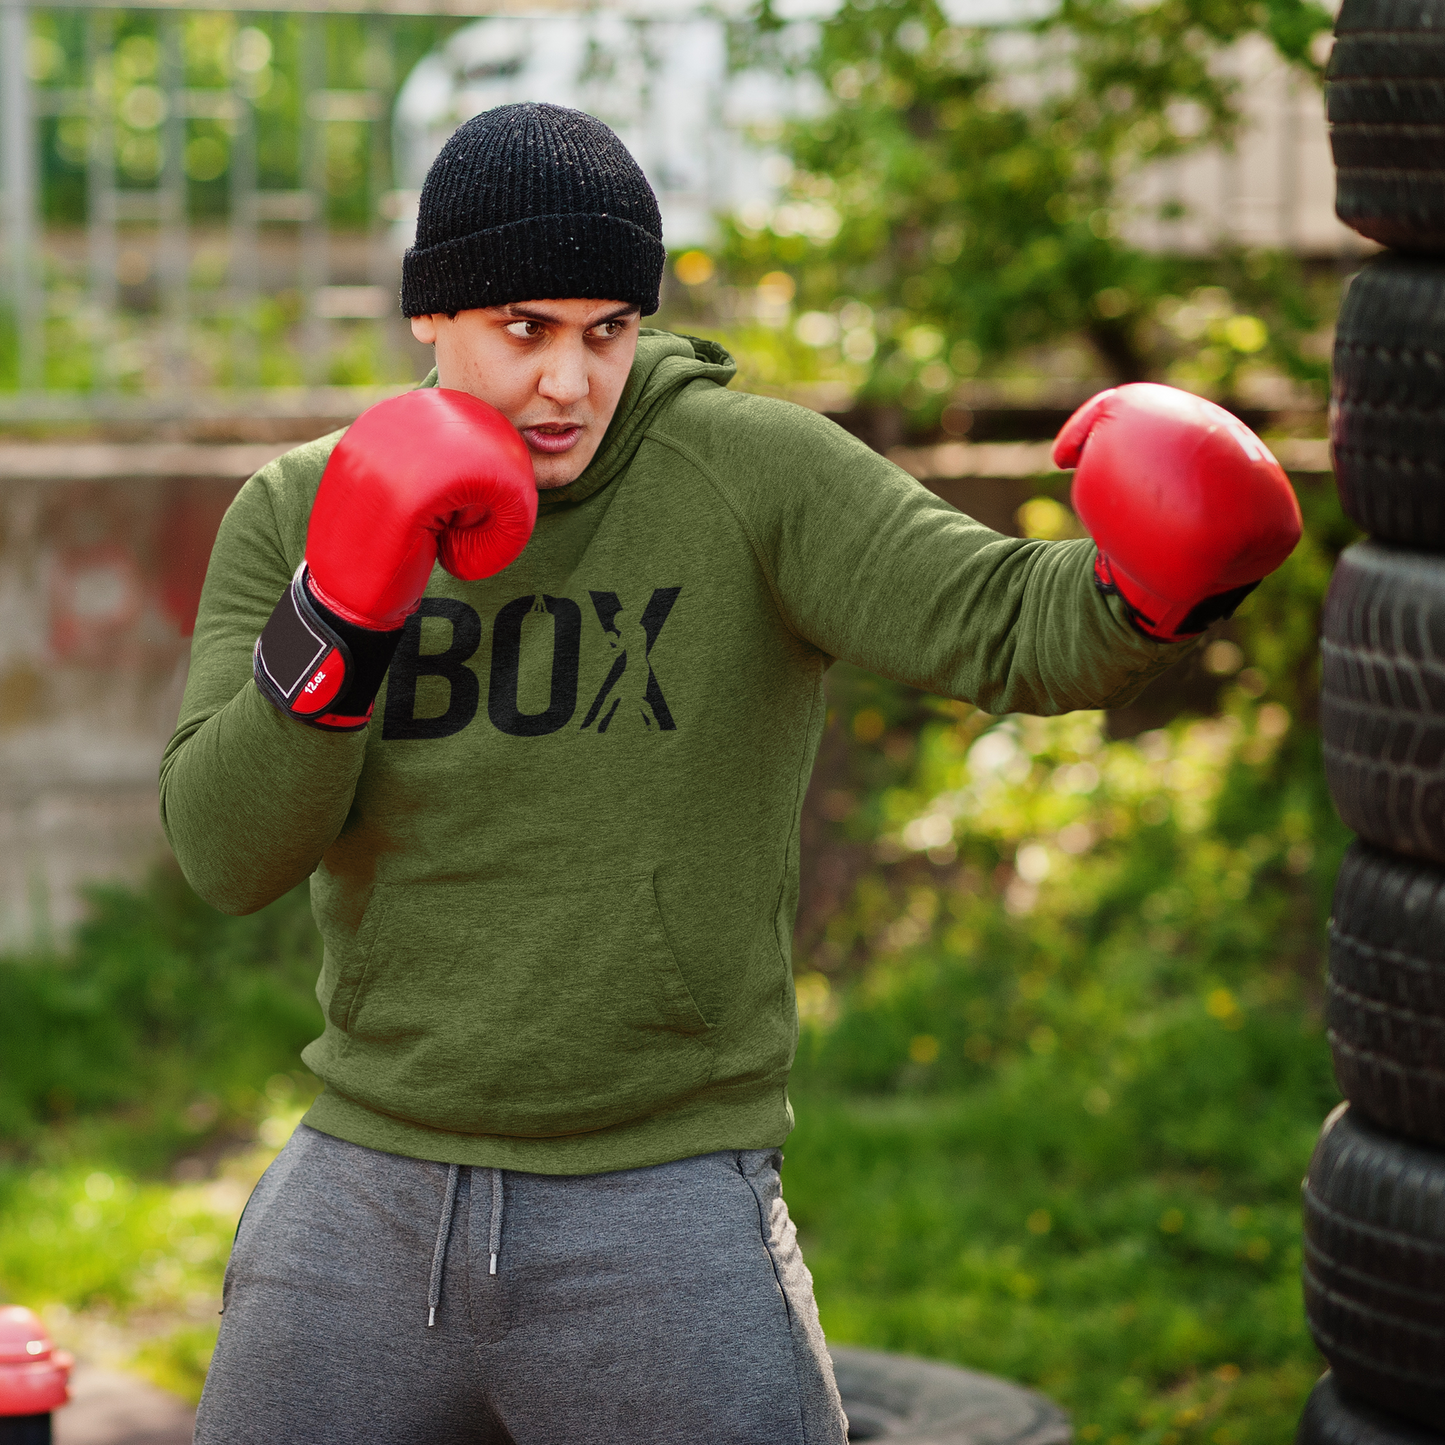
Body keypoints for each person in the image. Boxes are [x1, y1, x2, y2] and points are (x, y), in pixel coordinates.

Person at [162, 102, 1301, 1444]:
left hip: (661, 1198)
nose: (571, 384)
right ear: (434, 317)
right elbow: (226, 850)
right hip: (367, 1187)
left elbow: (1006, 622)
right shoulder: (300, 508)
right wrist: (342, 619)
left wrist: (1160, 585)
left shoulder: (751, 475)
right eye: (524, 330)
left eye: (608, 331)